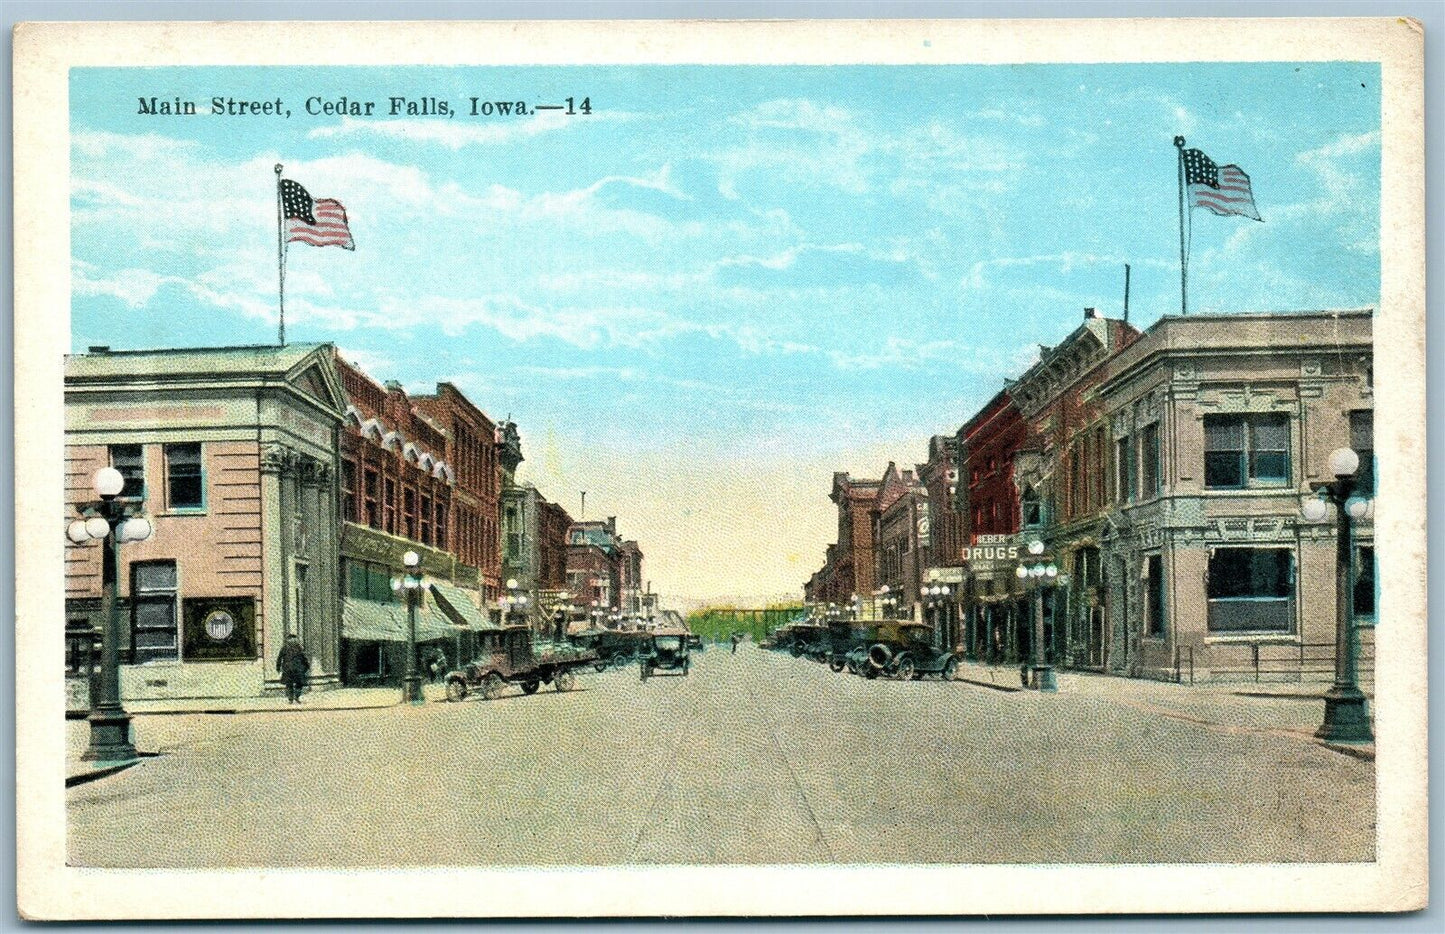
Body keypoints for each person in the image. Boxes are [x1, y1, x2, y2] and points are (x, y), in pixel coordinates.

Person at [276, 634, 310, 704]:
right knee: (299, 684)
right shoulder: (299, 647)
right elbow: (304, 658)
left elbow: (279, 658)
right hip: (298, 669)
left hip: (288, 668)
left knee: (289, 684)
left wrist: (278, 667)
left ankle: (291, 699)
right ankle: (296, 697)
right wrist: (307, 666)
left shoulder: (284, 647)